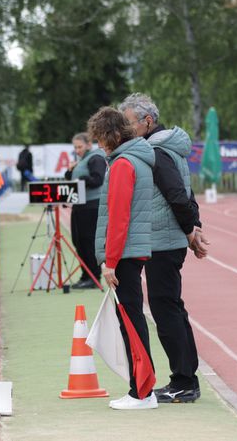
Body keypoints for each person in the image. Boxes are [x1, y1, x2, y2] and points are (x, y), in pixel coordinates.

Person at [120, 93, 208, 404]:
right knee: (172, 308)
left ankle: (183, 382)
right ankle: (186, 379)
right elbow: (186, 191)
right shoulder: (169, 147)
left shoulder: (156, 150)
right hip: (167, 238)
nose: (126, 130)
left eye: (129, 123)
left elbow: (175, 193)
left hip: (163, 240)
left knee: (165, 310)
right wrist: (193, 227)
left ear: (147, 121)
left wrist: (189, 230)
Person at [87, 106, 157, 410]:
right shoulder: (134, 159)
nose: (100, 145)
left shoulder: (123, 164)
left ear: (116, 134)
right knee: (132, 319)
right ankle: (142, 388)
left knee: (131, 321)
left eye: (102, 138)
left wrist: (110, 261)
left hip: (125, 254)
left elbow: (118, 218)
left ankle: (141, 392)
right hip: (132, 250)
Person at [66, 132, 107, 289]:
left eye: (80, 147)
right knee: (78, 241)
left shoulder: (96, 158)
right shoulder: (81, 160)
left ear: (89, 145)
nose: (77, 150)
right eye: (75, 147)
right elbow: (71, 179)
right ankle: (85, 275)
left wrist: (80, 179)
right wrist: (70, 172)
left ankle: (93, 277)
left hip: (91, 206)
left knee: (88, 242)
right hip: (79, 206)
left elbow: (97, 179)